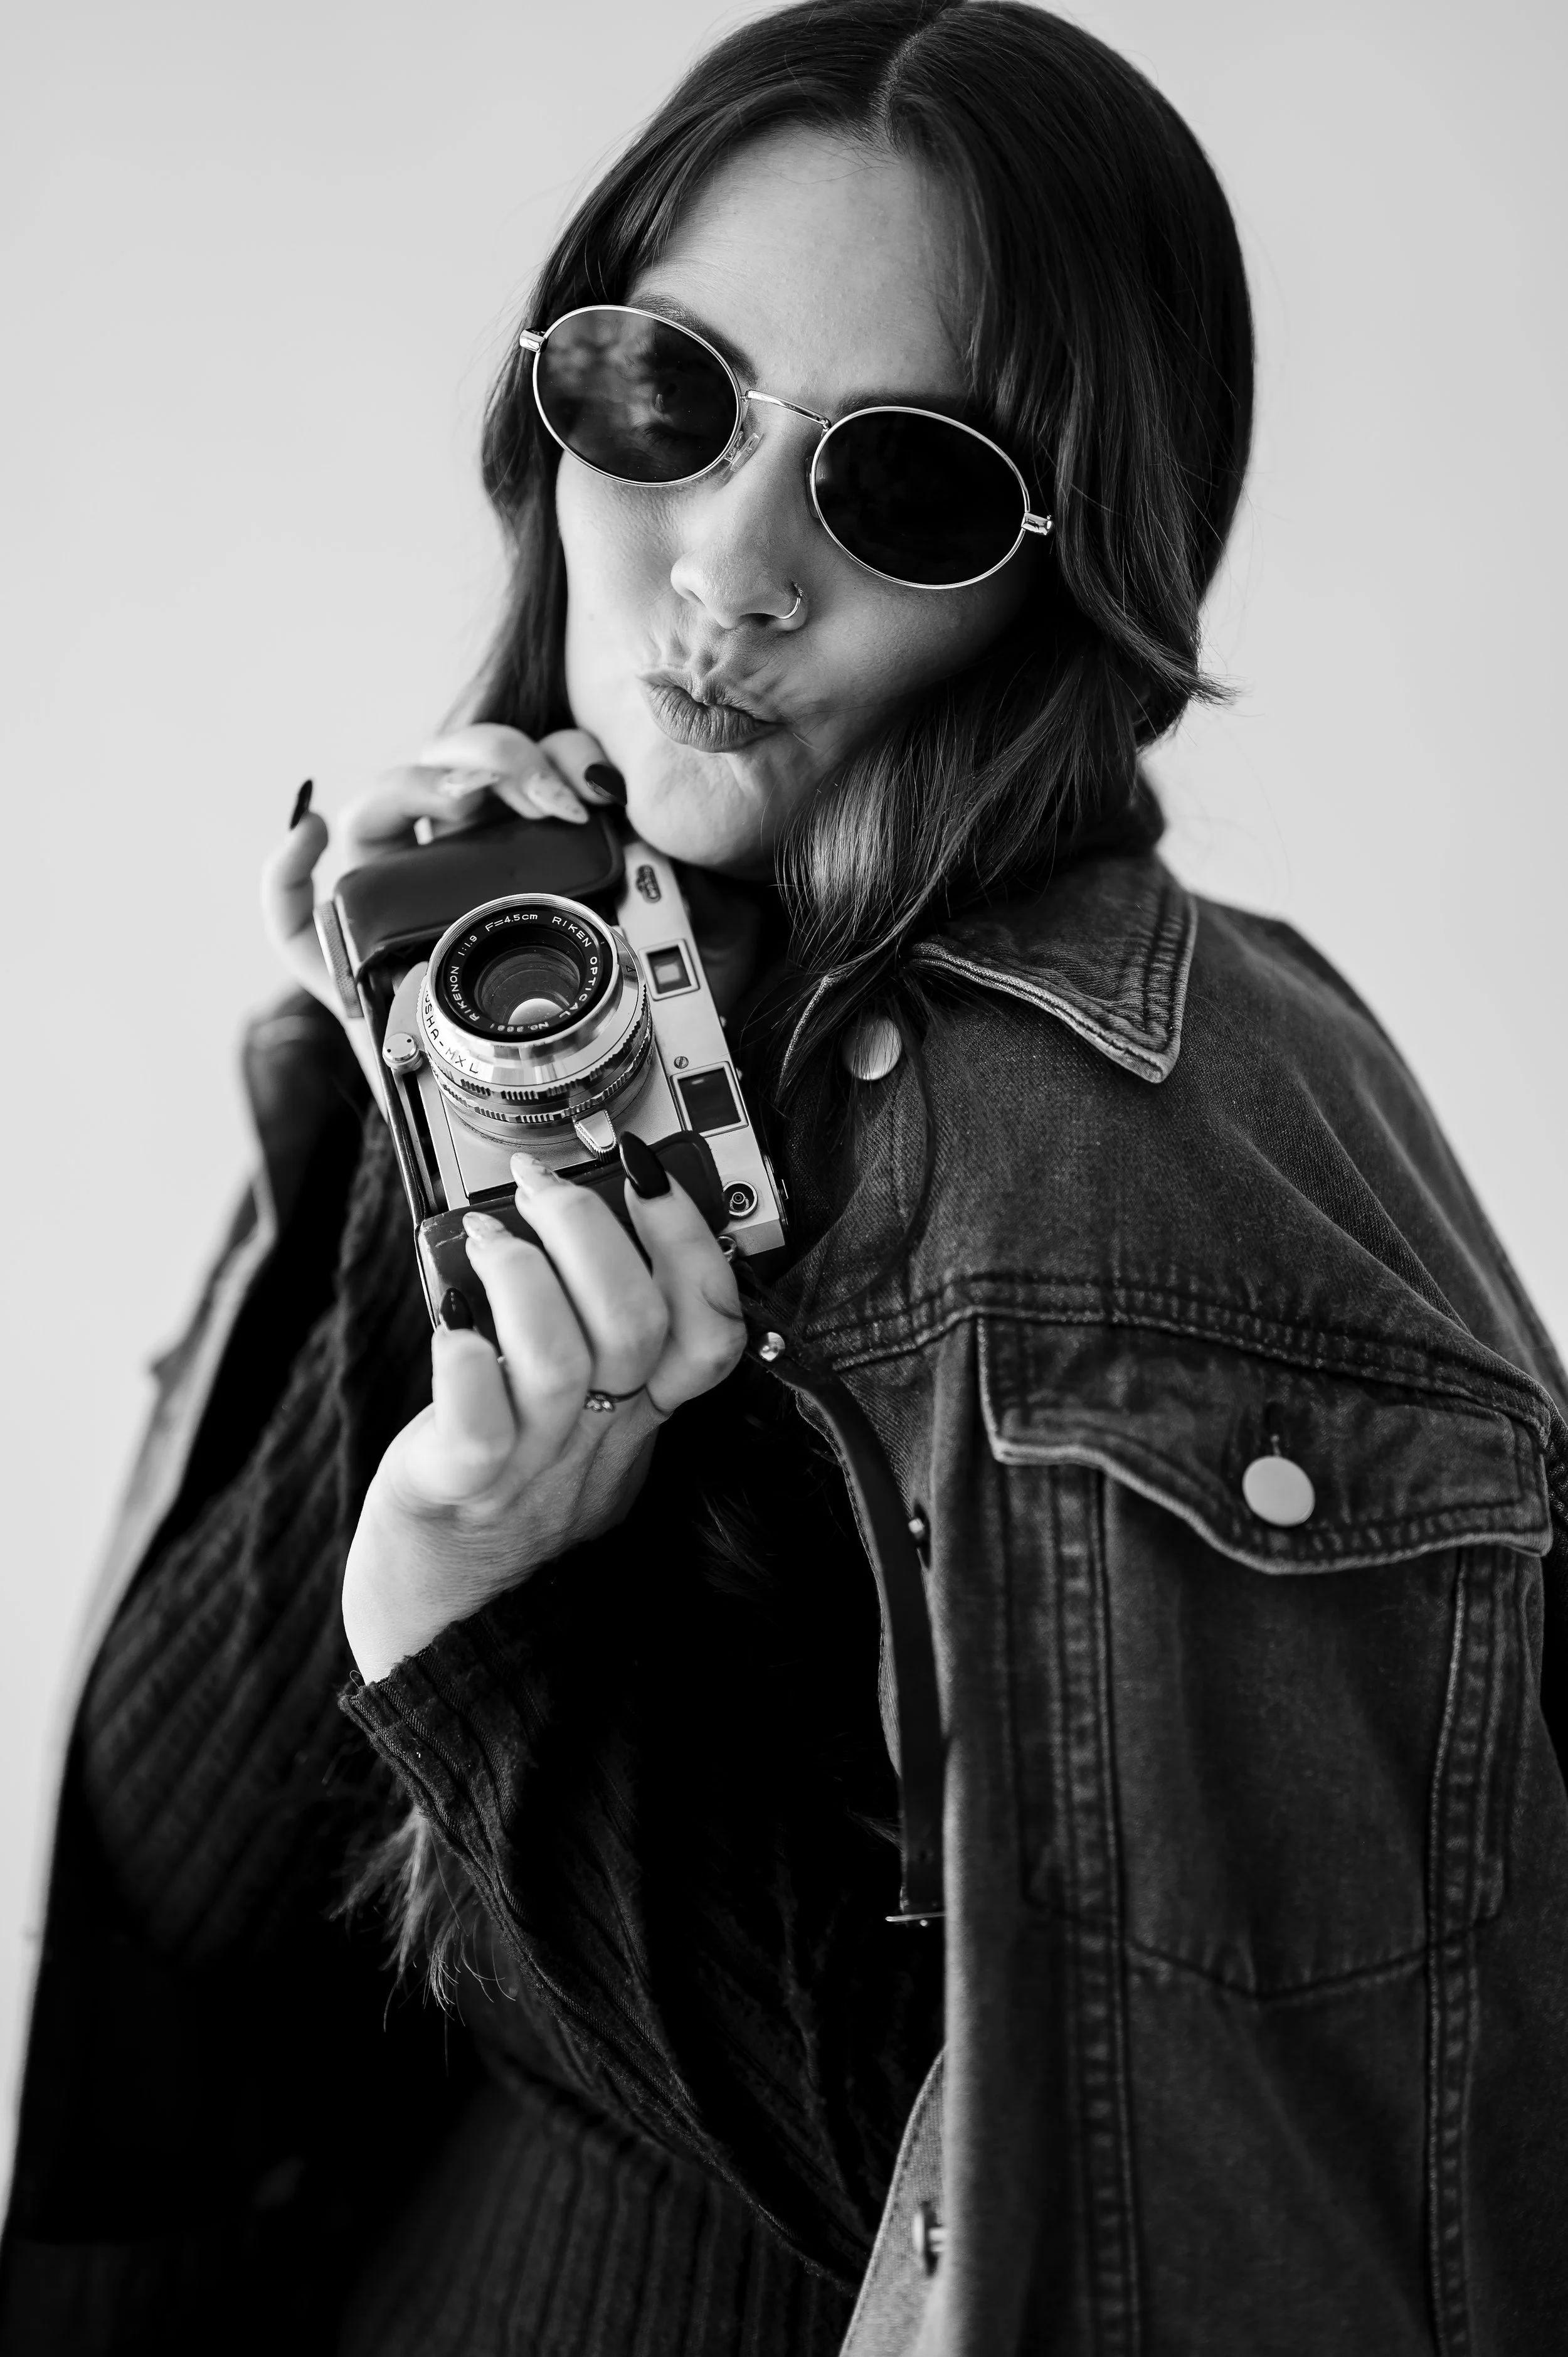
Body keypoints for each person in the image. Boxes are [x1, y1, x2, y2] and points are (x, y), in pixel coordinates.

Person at [6, 1, 1567, 2351]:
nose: (720, 574)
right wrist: (425, 1159)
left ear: (1080, 569)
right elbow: (171, 1973)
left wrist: (495, 1640)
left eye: (903, 485)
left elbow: (1102, 2234)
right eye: (665, 399)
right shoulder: (553, 959)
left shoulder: (1173, 1186)